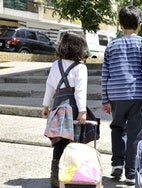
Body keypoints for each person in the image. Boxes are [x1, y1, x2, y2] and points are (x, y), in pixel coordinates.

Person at [101, 5, 142, 186]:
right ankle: (131, 174)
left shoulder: (111, 44)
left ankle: (117, 164)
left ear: (120, 25)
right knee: (136, 134)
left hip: (116, 96)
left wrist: (105, 99)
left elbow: (105, 73)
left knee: (117, 128)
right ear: (140, 25)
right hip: (137, 96)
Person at [42, 32, 88, 188]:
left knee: (59, 140)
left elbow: (50, 86)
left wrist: (45, 106)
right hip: (72, 108)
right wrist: (82, 111)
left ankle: (55, 175)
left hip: (57, 106)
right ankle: (72, 174)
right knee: (74, 140)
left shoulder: (56, 65)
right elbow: (80, 91)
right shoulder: (80, 67)